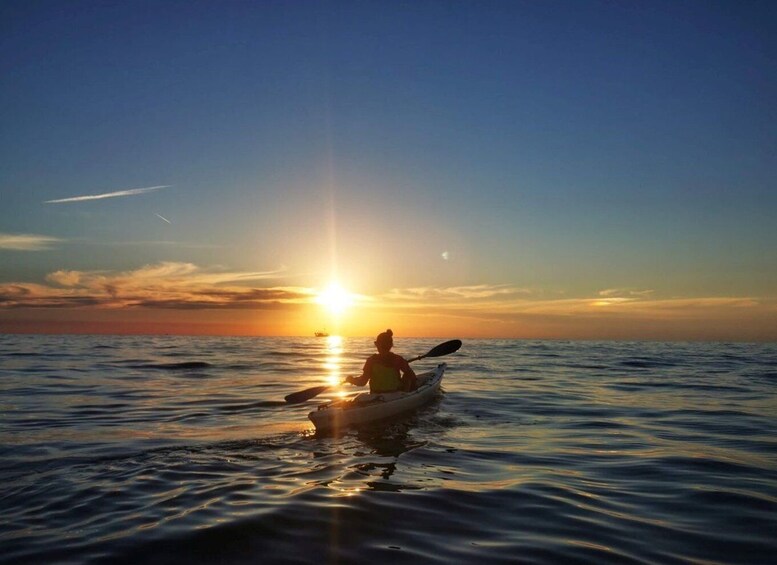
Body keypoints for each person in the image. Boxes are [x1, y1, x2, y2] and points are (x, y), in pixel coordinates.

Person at [346, 329, 417, 393]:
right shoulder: (398, 359)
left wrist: (351, 380)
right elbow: (412, 375)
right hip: (395, 394)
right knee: (408, 374)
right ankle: (407, 393)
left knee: (408, 374)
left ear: (377, 345)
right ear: (391, 345)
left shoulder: (371, 361)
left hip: (375, 395)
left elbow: (362, 382)